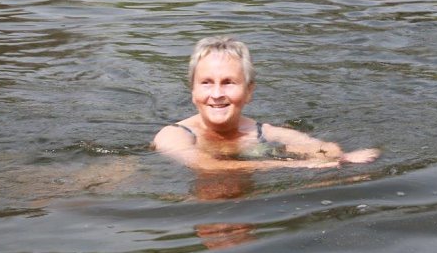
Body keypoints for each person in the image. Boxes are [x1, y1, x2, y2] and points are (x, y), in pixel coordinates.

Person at [152, 36, 380, 172]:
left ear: (249, 91)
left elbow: (326, 149)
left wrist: (343, 158)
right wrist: (295, 165)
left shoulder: (263, 132)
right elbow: (208, 167)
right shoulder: (174, 135)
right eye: (206, 83)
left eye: (229, 82)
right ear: (193, 91)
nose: (217, 94)